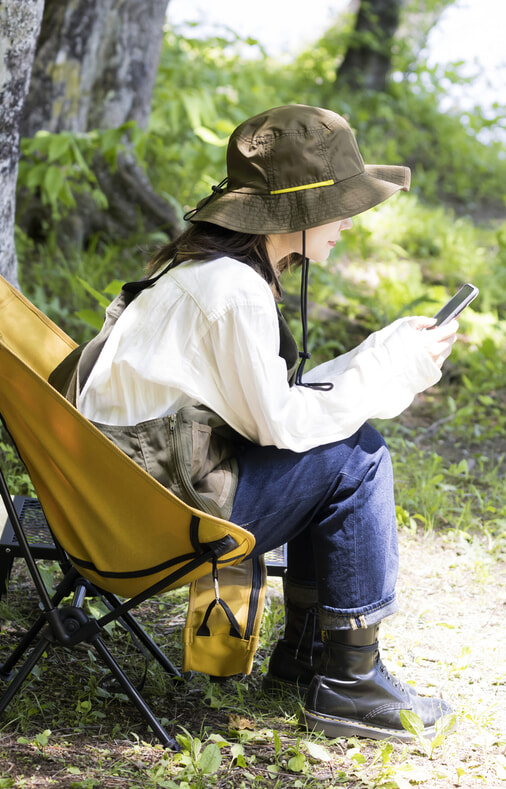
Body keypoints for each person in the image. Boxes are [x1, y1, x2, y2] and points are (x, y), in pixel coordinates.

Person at [73, 104, 459, 741]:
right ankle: (350, 682)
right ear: (298, 212)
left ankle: (311, 657)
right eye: (342, 206)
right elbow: (283, 425)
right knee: (358, 457)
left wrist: (381, 353)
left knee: (338, 444)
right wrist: (392, 369)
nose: (350, 222)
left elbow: (269, 406)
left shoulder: (206, 271)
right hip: (150, 520)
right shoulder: (233, 291)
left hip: (120, 497)